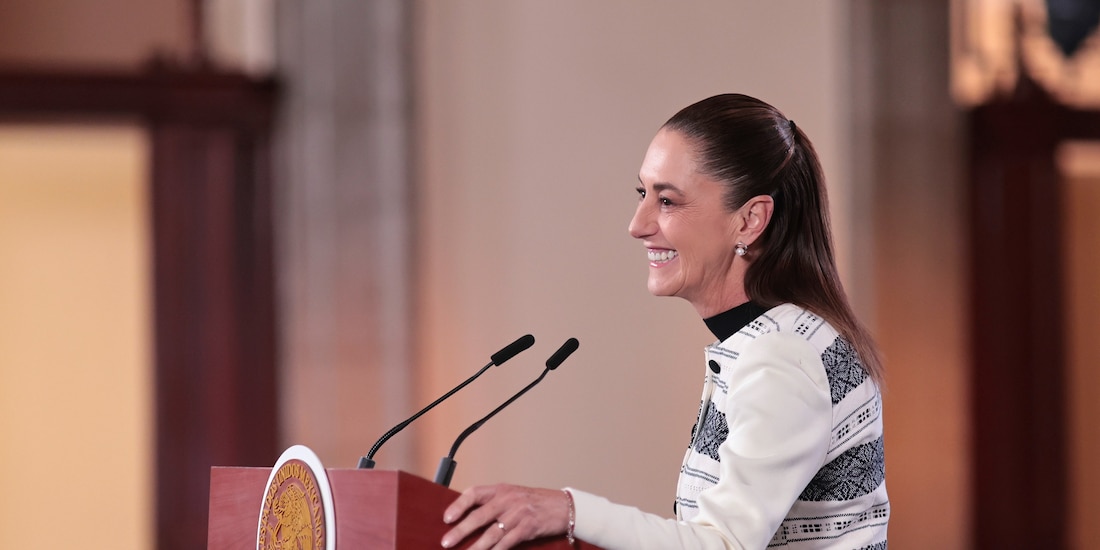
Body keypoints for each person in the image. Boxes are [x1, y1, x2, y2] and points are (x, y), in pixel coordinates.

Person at [440, 93, 889, 549]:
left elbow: (721, 545)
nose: (638, 224)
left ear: (750, 220)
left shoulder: (783, 356)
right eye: (643, 194)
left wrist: (570, 510)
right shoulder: (777, 341)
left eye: (668, 201)